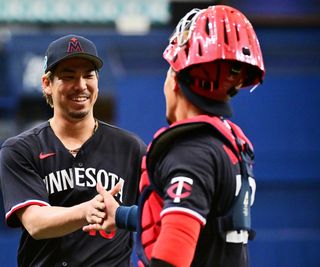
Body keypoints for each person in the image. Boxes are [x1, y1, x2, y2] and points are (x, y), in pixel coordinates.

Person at [83, 5, 265, 267]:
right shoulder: (226, 142)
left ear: (176, 79)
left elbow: (174, 254)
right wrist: (120, 215)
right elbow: (190, 217)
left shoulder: (191, 152)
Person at [0, 34, 146, 267]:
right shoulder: (21, 149)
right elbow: (36, 223)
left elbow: (158, 213)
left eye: (88, 75)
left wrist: (123, 216)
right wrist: (87, 210)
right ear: (47, 84)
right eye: (68, 76)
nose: (80, 85)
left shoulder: (131, 148)